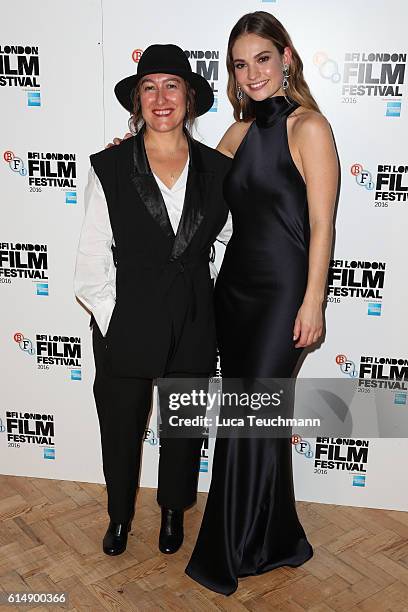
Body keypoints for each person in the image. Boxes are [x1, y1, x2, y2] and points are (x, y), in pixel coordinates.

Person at [185, 11, 338, 594]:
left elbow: (322, 224)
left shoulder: (310, 128)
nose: (252, 74)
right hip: (236, 293)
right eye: (240, 65)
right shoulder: (238, 132)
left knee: (251, 413)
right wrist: (138, 147)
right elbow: (194, 187)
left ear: (287, 58)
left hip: (282, 297)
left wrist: (313, 302)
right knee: (259, 417)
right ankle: (276, 538)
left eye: (262, 60)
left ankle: (234, 545)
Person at [74, 44, 232, 557]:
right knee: (120, 426)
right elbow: (91, 256)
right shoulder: (112, 165)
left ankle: (171, 513)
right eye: (149, 87)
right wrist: (112, 317)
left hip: (193, 319)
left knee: (184, 429)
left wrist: (216, 303)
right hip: (127, 320)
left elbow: (233, 241)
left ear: (189, 97)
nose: (160, 97)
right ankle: (119, 517)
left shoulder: (218, 170)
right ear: (137, 100)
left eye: (171, 86)